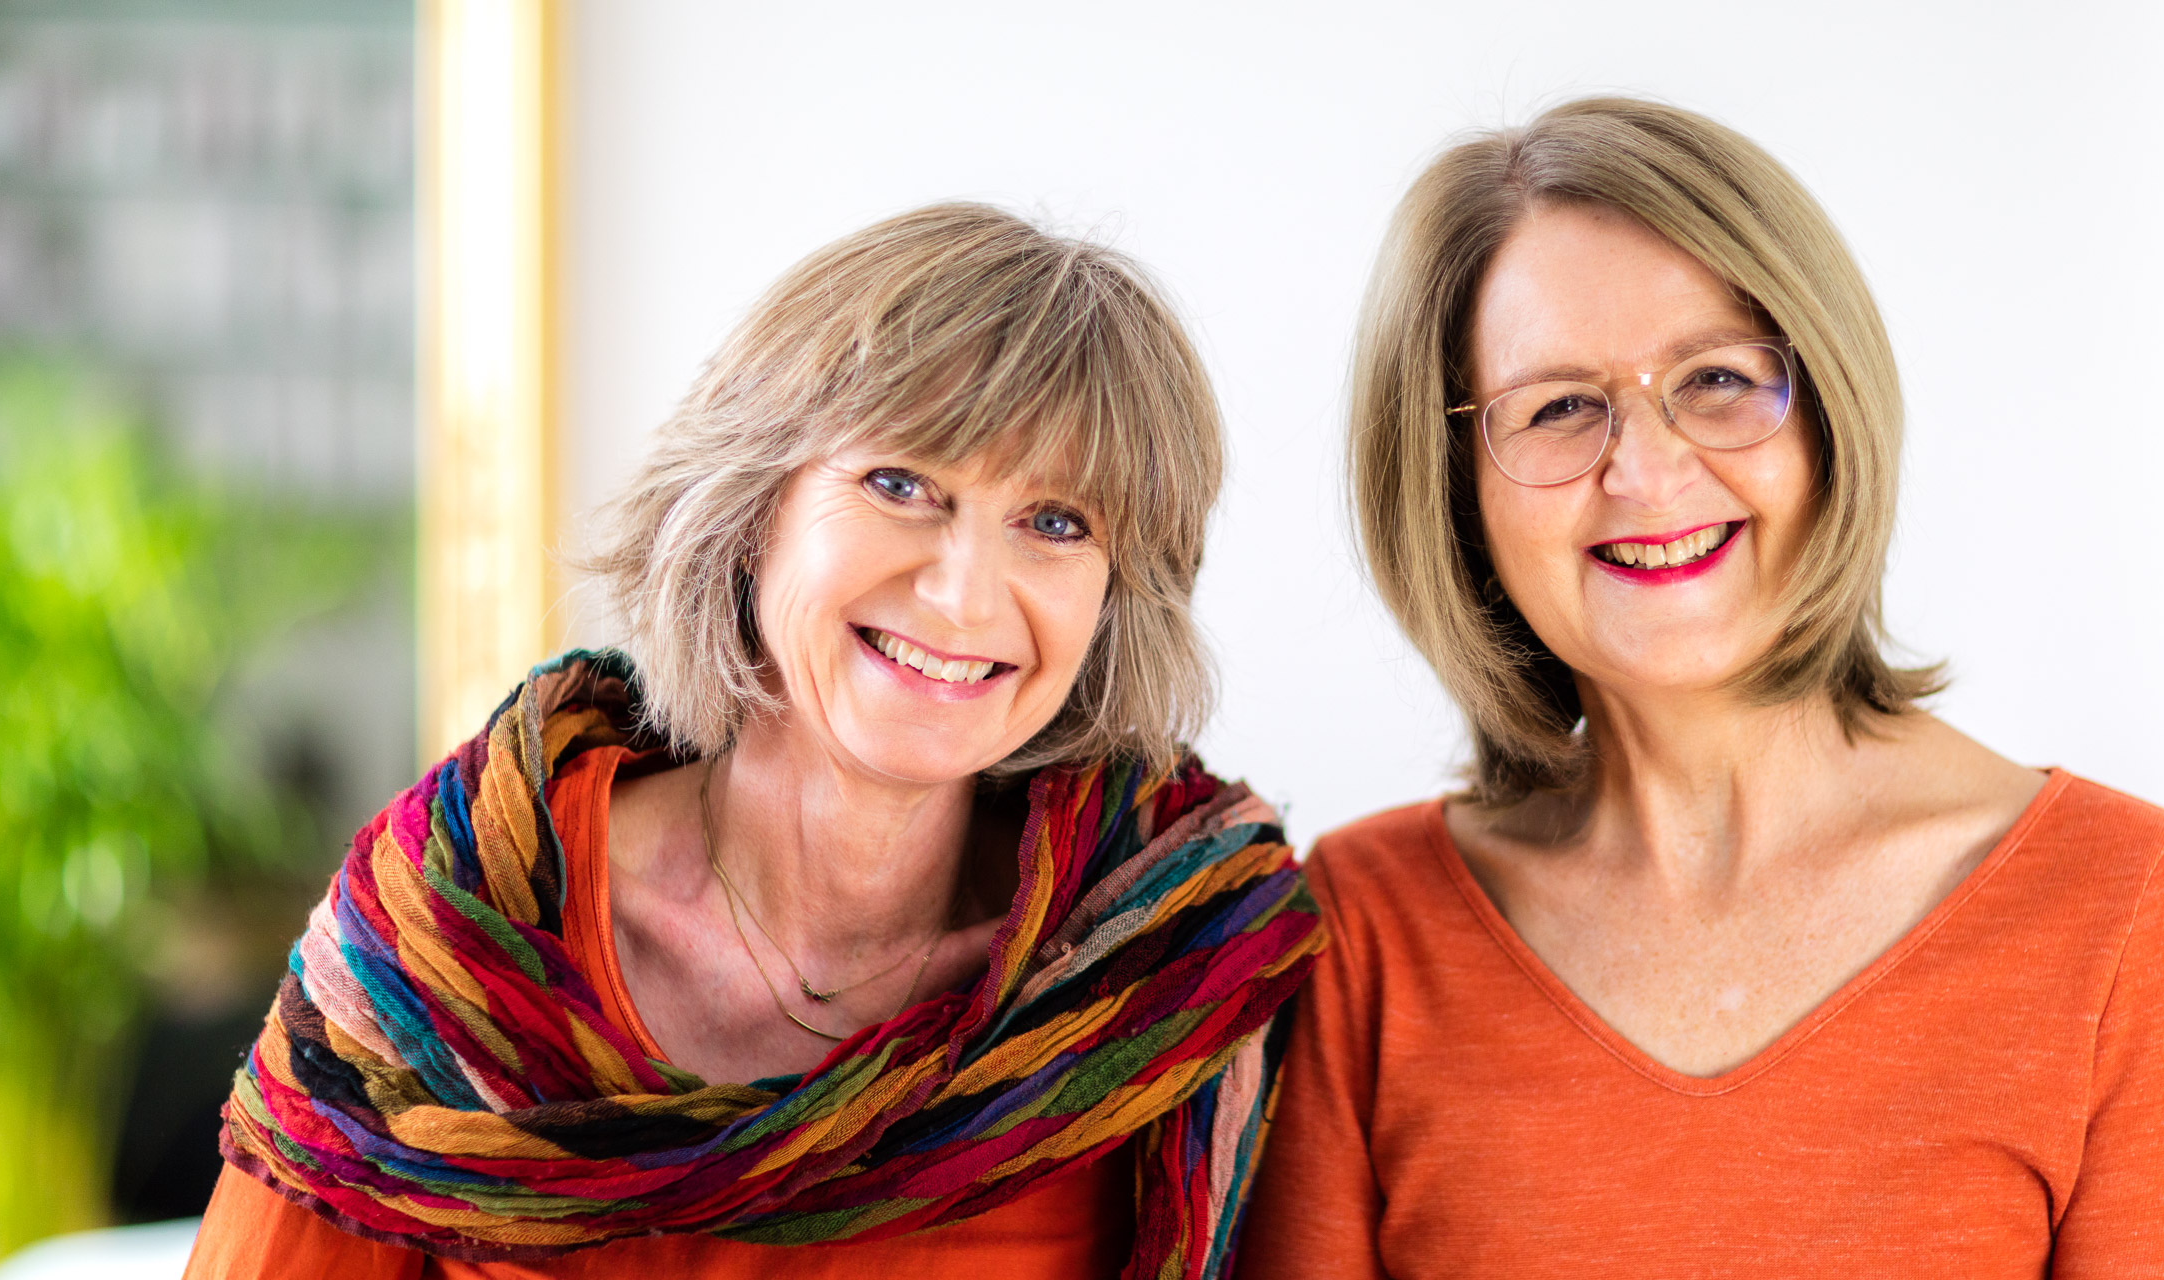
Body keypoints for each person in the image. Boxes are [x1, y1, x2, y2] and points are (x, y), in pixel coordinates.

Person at [1238, 98, 2164, 1277]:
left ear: (1829, 413)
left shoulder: (2120, 906)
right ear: (1452, 489)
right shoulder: (1365, 925)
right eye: (1559, 406)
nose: (1647, 471)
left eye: (1717, 378)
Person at [186, 204, 1323, 1280]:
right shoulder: (453, 923)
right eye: (901, 483)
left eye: (1056, 522)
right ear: (752, 508)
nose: (966, 595)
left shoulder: (1168, 962)